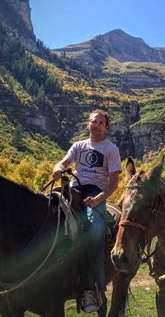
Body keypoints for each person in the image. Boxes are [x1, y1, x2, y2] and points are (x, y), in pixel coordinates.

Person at [52, 109, 121, 313]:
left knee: (95, 232)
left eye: (101, 122)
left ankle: (94, 289)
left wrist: (98, 199)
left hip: (96, 191)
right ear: (87, 124)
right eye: (94, 121)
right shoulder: (78, 146)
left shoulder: (111, 149)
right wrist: (57, 169)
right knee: (47, 214)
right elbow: (63, 163)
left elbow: (114, 183)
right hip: (74, 189)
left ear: (106, 127)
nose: (97, 125)